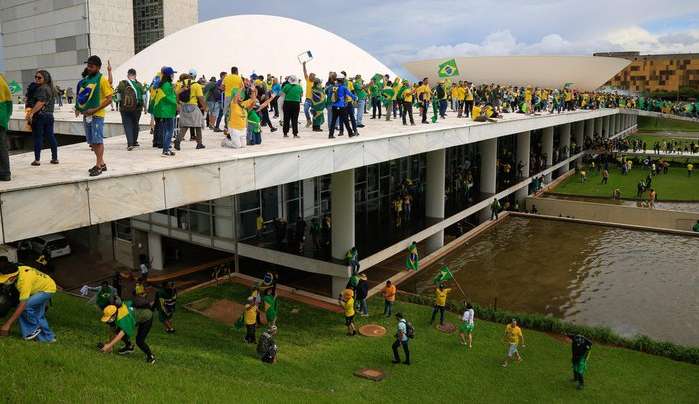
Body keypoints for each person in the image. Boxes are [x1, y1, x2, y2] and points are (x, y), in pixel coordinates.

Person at [0, 259, 56, 342]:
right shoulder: (18, 269)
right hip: (44, 285)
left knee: (24, 307)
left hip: (47, 289)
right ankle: (49, 338)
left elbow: (22, 305)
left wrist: (7, 324)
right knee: (38, 315)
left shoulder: (24, 282)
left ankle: (32, 331)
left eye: (5, 280)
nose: (4, 282)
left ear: (12, 277)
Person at [75, 55, 113, 176]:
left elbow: (109, 99)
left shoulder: (102, 80)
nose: (89, 68)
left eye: (91, 66)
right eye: (88, 66)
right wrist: (78, 108)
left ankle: (98, 166)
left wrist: (94, 110)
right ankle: (101, 163)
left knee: (97, 141)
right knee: (92, 142)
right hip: (87, 115)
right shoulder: (87, 80)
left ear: (98, 67)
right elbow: (82, 95)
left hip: (97, 115)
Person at [28, 70, 59, 166]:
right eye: (36, 77)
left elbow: (40, 102)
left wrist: (31, 113)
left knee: (38, 137)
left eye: (39, 77)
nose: (36, 79)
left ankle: (37, 160)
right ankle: (55, 158)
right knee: (51, 136)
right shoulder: (51, 88)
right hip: (49, 116)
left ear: (45, 78)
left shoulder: (42, 88)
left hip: (40, 116)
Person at [116, 68, 145, 150]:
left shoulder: (122, 83)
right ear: (135, 75)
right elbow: (143, 97)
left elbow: (118, 98)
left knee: (127, 125)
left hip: (124, 108)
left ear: (128, 75)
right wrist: (144, 107)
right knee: (135, 124)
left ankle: (130, 143)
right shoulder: (139, 85)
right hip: (137, 108)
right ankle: (134, 141)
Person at [175, 71, 206, 150]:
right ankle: (199, 143)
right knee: (198, 125)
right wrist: (205, 107)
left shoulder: (180, 84)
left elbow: (176, 95)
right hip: (193, 106)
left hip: (183, 106)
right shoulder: (196, 85)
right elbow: (200, 97)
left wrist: (179, 104)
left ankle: (178, 140)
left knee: (185, 126)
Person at [0, 73, 11, 181]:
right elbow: (9, 103)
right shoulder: (2, 80)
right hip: (2, 118)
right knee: (2, 146)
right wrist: (5, 117)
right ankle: (5, 173)